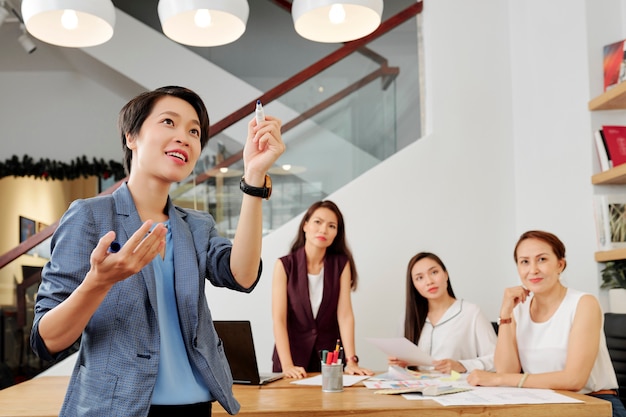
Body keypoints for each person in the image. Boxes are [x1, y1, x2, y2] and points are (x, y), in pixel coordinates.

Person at [30, 86, 285, 416]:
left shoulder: (196, 225)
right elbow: (46, 339)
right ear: (131, 137)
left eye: (194, 131)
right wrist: (98, 282)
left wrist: (254, 175)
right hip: (118, 407)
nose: (185, 137)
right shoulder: (90, 216)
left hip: (195, 404)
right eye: (169, 122)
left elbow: (243, 275)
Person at [467, 230, 626, 417]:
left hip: (594, 404)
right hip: (547, 404)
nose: (533, 269)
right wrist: (505, 314)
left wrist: (497, 379)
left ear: (560, 264)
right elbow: (506, 370)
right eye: (524, 262)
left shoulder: (583, 303)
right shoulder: (518, 309)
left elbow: (574, 379)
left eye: (542, 259)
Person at [271, 200, 373, 379]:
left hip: (330, 360)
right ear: (305, 225)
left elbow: (345, 315)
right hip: (292, 360)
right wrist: (287, 365)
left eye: (331, 226)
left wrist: (351, 361)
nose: (323, 230)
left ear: (336, 233)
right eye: (318, 222)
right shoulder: (285, 265)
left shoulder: (341, 265)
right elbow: (279, 319)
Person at [388, 252, 497, 374]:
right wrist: (399, 365)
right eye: (420, 278)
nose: (429, 281)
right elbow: (397, 370)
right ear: (414, 286)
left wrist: (462, 365)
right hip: (415, 390)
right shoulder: (406, 319)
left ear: (446, 274)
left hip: (458, 389)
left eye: (434, 272)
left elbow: (496, 360)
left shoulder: (471, 312)